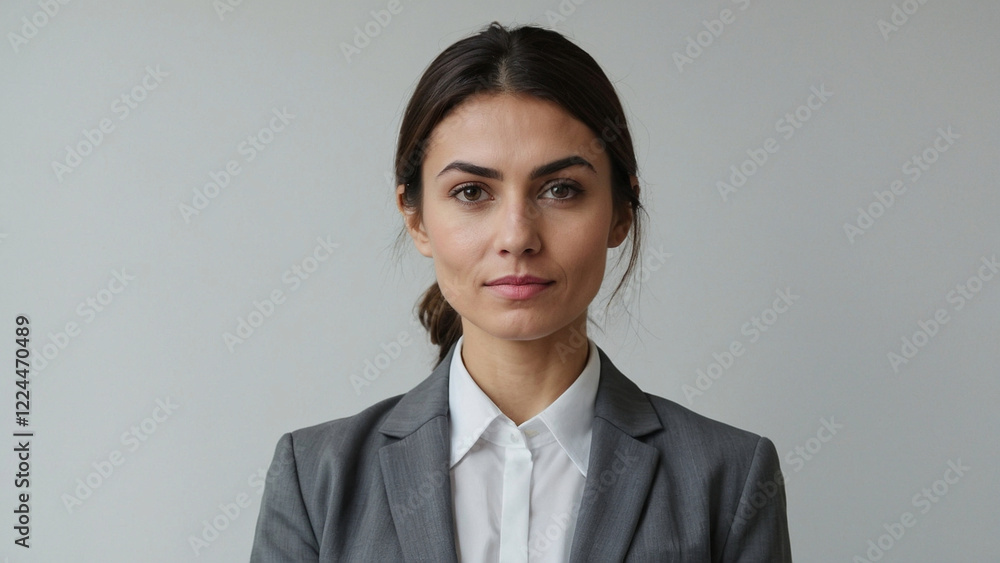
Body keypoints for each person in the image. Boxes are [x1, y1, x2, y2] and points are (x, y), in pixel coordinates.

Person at [250, 21, 791, 562]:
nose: (517, 236)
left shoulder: (729, 478)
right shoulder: (315, 479)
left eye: (561, 190)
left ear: (620, 213)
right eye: (471, 192)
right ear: (416, 219)